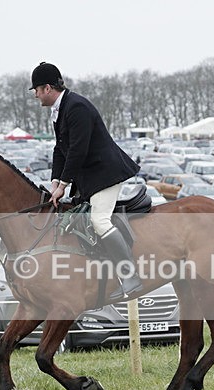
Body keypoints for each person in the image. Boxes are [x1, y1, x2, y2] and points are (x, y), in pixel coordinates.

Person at [30, 62, 142, 298]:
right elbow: (60, 150)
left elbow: (77, 151)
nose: (36, 95)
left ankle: (130, 275)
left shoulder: (76, 107)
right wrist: (54, 182)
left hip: (105, 174)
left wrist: (63, 186)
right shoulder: (60, 109)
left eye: (37, 90)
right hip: (91, 176)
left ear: (47, 88)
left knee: (99, 221)